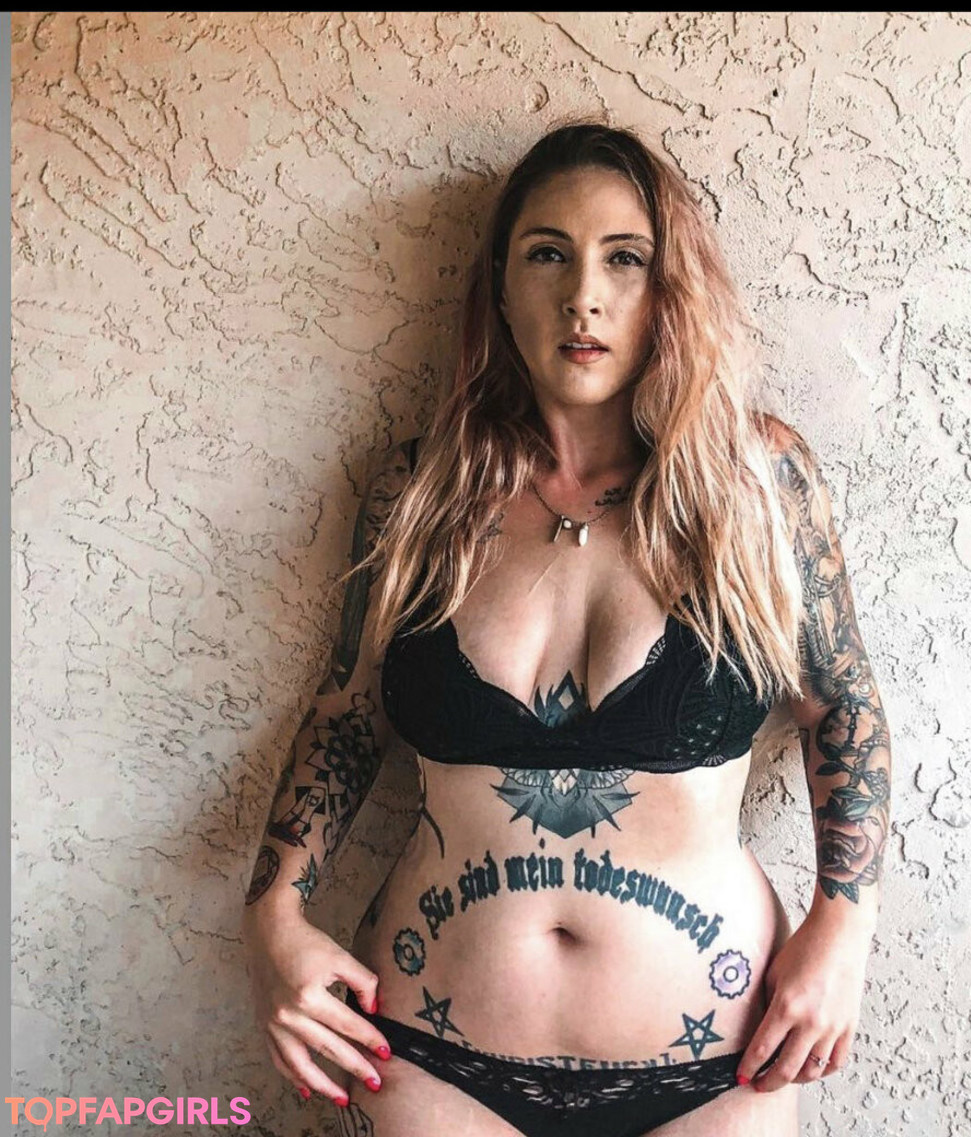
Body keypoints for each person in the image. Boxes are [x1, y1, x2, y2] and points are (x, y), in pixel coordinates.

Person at [241, 120, 892, 1137]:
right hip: (434, 1062)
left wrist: (843, 928)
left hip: (720, 1067)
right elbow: (346, 716)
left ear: (670, 290)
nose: (582, 295)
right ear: (500, 289)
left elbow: (842, 705)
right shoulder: (422, 493)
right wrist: (272, 922)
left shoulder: (755, 484)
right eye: (547, 254)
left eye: (624, 259)